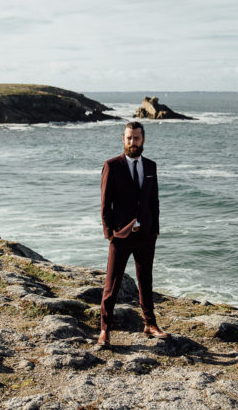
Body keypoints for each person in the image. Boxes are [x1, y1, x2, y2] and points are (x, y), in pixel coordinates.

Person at [98, 121, 169, 347]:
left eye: (136, 138)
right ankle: (105, 330)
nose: (132, 142)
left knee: (145, 280)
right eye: (129, 138)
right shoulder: (112, 166)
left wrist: (155, 228)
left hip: (146, 235)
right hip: (120, 235)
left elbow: (153, 200)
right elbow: (105, 204)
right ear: (123, 139)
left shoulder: (150, 167)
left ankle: (150, 324)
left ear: (143, 140)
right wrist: (109, 233)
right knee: (112, 284)